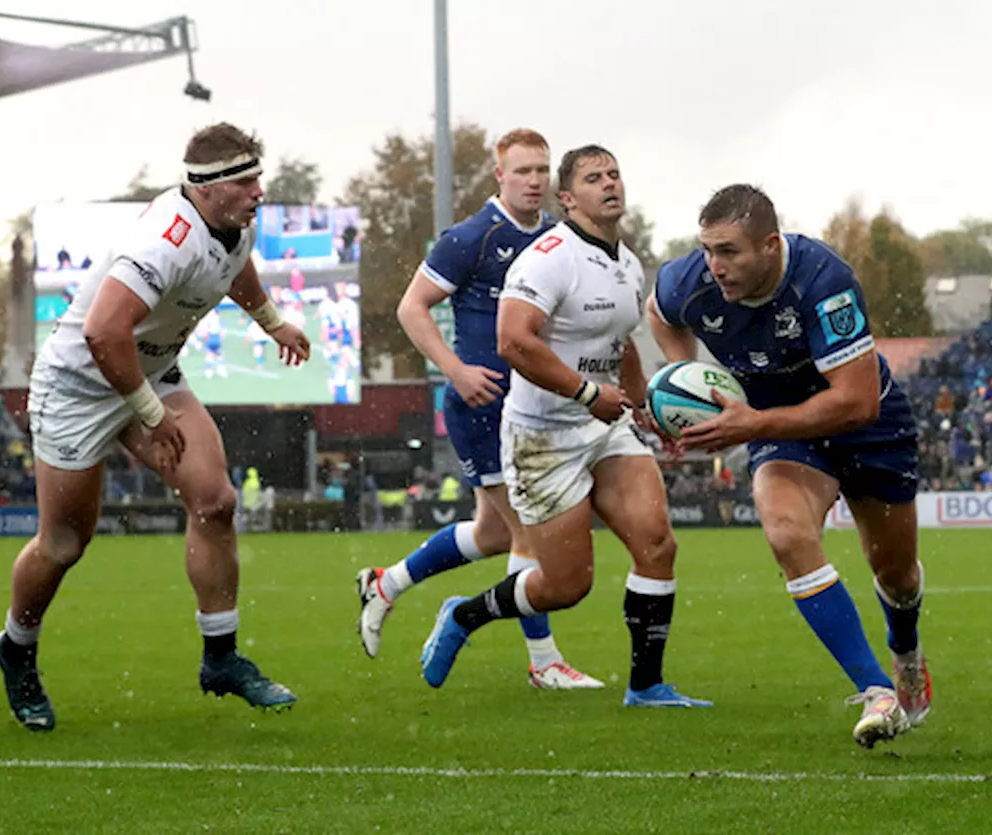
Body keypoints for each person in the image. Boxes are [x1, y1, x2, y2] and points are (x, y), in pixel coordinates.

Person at [0, 122, 310, 731]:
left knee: (215, 501)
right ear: (209, 188)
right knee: (64, 543)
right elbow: (103, 332)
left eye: (257, 177)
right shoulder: (165, 241)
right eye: (246, 181)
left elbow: (234, 266)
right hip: (79, 384)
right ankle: (17, 647)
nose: (259, 191)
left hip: (148, 370)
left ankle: (220, 657)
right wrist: (151, 414)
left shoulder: (230, 223)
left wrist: (272, 322)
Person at [417, 144, 709, 708]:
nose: (610, 184)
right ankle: (465, 613)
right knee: (566, 586)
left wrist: (647, 408)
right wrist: (582, 391)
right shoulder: (548, 256)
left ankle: (647, 685)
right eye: (594, 178)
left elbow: (619, 344)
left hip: (606, 427)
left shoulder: (627, 262)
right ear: (568, 199)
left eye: (615, 174)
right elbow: (512, 341)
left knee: (657, 545)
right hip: (541, 438)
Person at [647, 184, 929, 748]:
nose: (714, 266)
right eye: (707, 249)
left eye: (729, 252)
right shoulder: (691, 280)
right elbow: (659, 313)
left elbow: (856, 402)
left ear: (771, 246)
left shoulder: (824, 282)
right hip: (779, 425)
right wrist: (688, 382)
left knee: (894, 573)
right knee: (785, 531)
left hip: (867, 425)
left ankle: (907, 654)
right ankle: (876, 691)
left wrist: (751, 424)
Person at [354, 129, 602, 690]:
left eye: (542, 170)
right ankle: (544, 663)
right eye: (523, 172)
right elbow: (412, 307)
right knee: (530, 536)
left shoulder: (559, 237)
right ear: (499, 175)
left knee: (493, 533)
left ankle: (386, 583)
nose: (534, 181)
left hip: (535, 408)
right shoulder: (472, 237)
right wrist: (456, 370)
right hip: (485, 406)